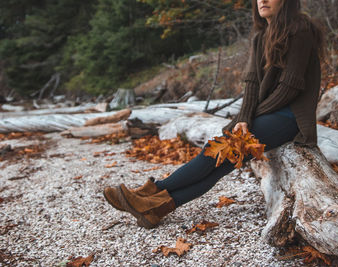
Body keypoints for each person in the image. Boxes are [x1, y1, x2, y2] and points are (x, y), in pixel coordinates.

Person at [103, 0, 325, 229]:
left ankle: (153, 191)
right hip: (269, 114)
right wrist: (244, 119)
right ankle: (154, 209)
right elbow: (251, 84)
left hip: (291, 116)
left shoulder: (300, 29)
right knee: (221, 162)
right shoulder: (261, 36)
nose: (263, 0)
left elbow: (290, 87)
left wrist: (249, 119)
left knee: (215, 150)